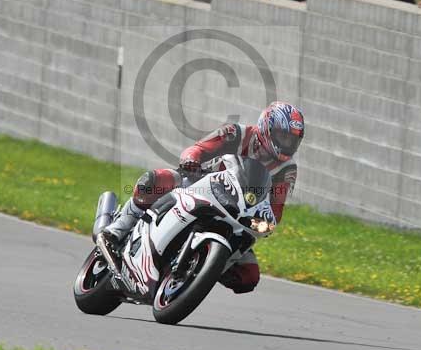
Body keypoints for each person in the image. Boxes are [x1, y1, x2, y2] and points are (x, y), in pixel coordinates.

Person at [96, 101, 305, 294]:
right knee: (154, 180)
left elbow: (278, 202)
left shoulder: (287, 169)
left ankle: (198, 271)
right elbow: (200, 148)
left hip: (240, 213)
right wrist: (191, 159)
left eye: (293, 139)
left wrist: (268, 223)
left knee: (248, 276)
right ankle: (119, 227)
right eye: (283, 136)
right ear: (266, 127)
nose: (287, 143)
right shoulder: (236, 133)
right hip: (201, 183)